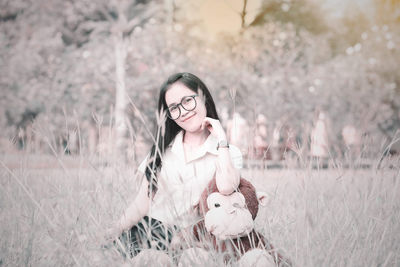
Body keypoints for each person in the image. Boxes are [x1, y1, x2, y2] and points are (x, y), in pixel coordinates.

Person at [108, 72, 243, 258]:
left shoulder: (228, 152)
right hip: (150, 232)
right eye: (174, 107)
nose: (183, 111)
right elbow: (141, 203)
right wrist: (110, 232)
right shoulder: (161, 151)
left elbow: (227, 187)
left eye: (188, 101)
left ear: (203, 97)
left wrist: (221, 138)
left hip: (195, 240)